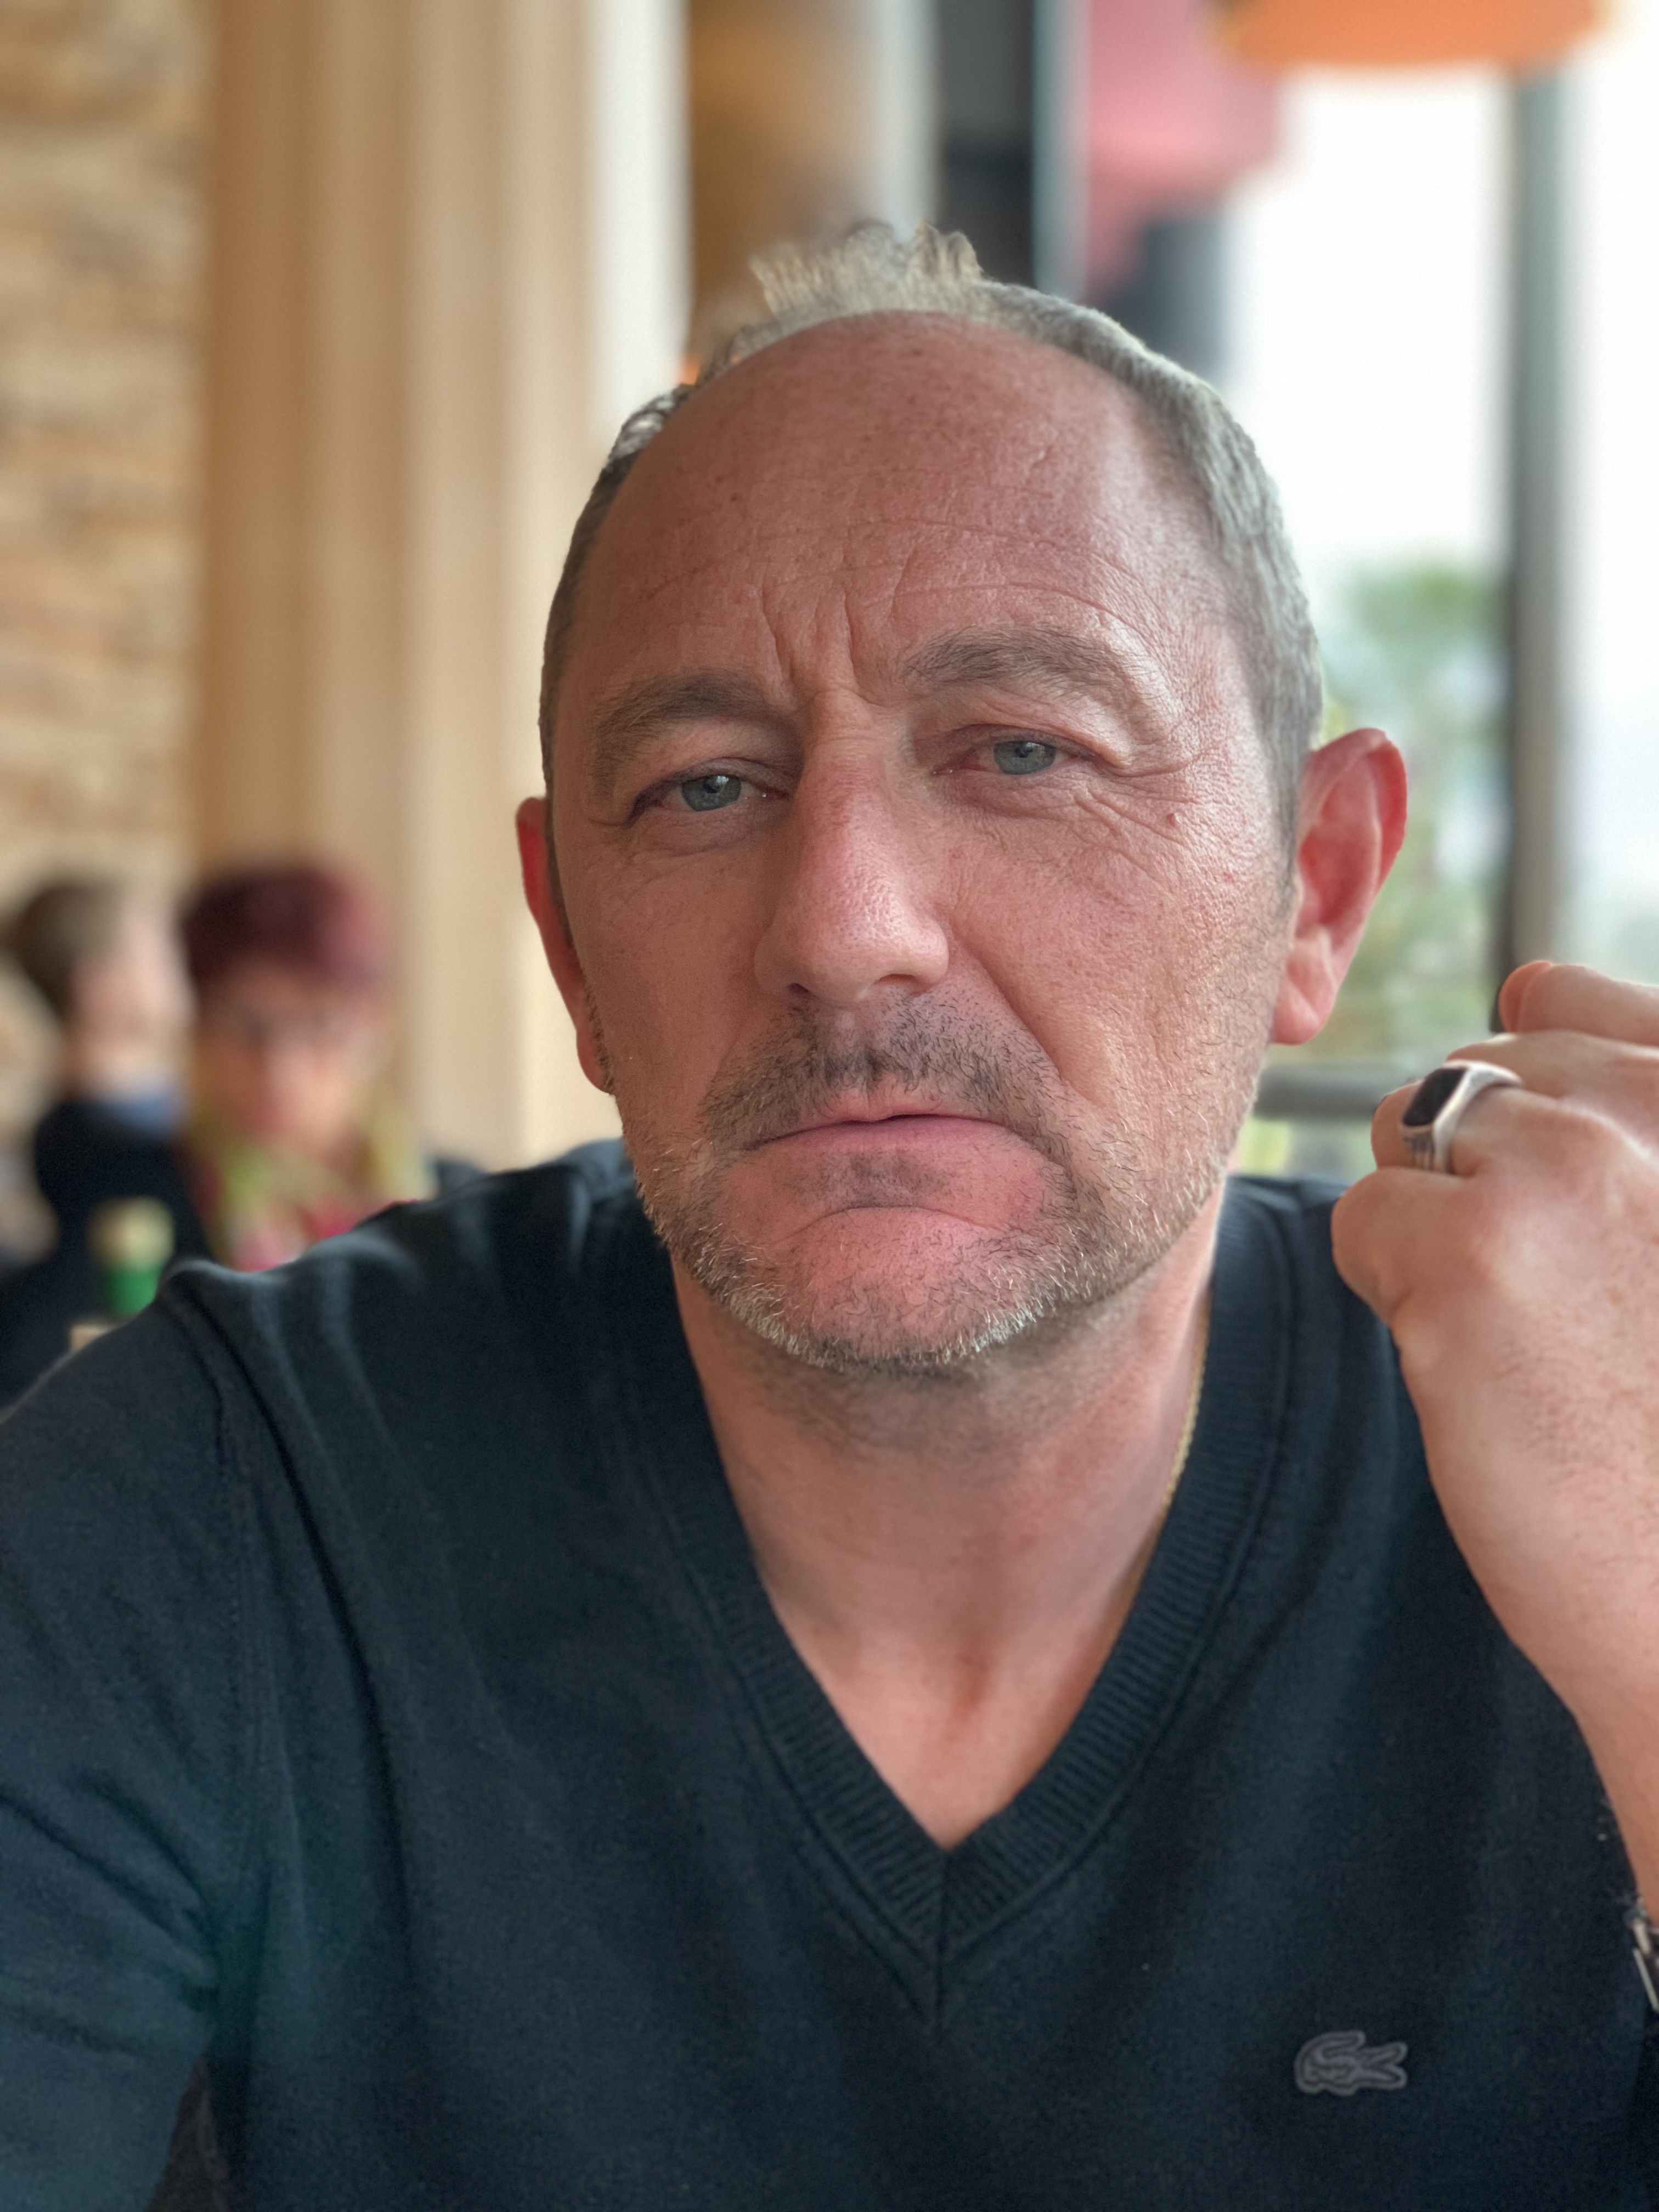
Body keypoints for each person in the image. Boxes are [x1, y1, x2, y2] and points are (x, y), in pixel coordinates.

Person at [2, 225, 1657, 2208]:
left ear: (1314, 887)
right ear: (569, 947)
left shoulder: (1590, 1468)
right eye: (703, 787)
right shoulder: (216, 1502)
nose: (844, 925)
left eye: (1022, 751)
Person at [174, 864, 451, 1271]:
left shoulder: (459, 1206)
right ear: (197, 1027)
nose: (278, 1066)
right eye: (243, 1026)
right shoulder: (133, 1204)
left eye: (317, 1023)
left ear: (377, 1022)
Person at [0, 877, 202, 1402]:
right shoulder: (104, 1157)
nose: (183, 970)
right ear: (102, 989)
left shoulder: (169, 1123)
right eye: (158, 955)